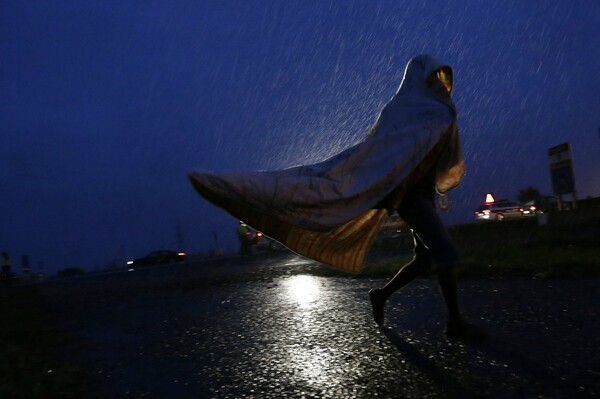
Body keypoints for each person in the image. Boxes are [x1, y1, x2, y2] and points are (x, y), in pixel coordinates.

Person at [189, 55, 483, 339]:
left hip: (422, 193)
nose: (440, 84)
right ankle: (455, 323)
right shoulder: (403, 109)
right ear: (420, 78)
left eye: (442, 78)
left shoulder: (438, 110)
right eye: (433, 77)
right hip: (408, 196)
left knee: (425, 259)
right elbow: (379, 151)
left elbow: (434, 152)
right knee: (447, 255)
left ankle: (380, 295)